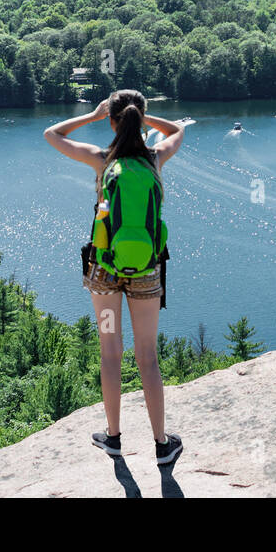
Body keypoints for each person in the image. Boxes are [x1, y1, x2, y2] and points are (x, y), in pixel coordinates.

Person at [44, 90, 186, 466]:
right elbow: (177, 131)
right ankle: (161, 444)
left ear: (111, 119)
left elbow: (51, 135)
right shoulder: (155, 159)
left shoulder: (101, 160)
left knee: (110, 351)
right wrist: (143, 118)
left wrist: (92, 116)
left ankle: (113, 438)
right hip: (145, 273)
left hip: (104, 272)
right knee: (148, 356)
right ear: (140, 118)